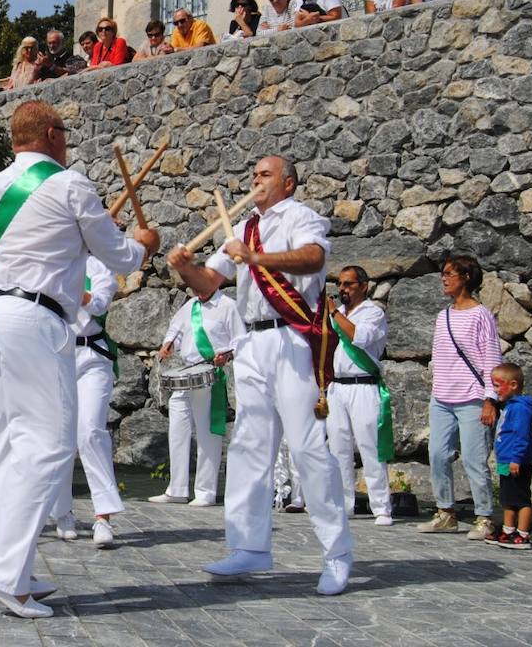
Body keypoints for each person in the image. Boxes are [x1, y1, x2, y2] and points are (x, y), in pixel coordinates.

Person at [0, 100, 158, 617]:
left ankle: (20, 567)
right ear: (52, 134)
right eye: (65, 133)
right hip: (33, 318)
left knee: (7, 444)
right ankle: (7, 574)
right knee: (51, 444)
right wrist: (144, 245)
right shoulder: (71, 184)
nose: (68, 141)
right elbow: (117, 256)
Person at [167, 155, 353, 596]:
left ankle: (337, 552)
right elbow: (209, 280)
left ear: (288, 183)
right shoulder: (244, 225)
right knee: (250, 444)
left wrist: (255, 257)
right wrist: (183, 266)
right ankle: (248, 547)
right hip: (251, 343)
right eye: (252, 175)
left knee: (307, 444)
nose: (256, 181)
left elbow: (313, 259)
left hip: (290, 338)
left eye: (265, 175)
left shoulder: (301, 217)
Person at [416, 254, 502, 541]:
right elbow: (440, 356)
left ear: (466, 277)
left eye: (450, 273)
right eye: (444, 273)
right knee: (438, 455)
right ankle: (445, 513)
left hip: (473, 398)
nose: (444, 278)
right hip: (442, 398)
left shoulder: (482, 315)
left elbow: (491, 358)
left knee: (474, 461)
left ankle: (485, 516)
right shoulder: (444, 315)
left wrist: (490, 399)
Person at [50, 256, 123, 548]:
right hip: (57, 355)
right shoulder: (51, 260)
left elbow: (100, 303)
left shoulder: (98, 267)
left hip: (93, 356)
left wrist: (72, 289)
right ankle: (62, 513)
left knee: (90, 432)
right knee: (61, 437)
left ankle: (103, 517)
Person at [149, 285, 239, 506]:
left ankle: (205, 492)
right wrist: (168, 344)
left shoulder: (228, 306)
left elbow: (240, 342)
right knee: (177, 431)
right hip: (187, 374)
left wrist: (227, 355)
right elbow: (176, 330)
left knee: (208, 433)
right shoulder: (190, 305)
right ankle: (177, 489)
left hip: (210, 375)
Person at [324, 266, 393, 524]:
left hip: (364, 386)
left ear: (363, 286)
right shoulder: (338, 313)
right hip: (338, 387)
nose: (342, 289)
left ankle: (381, 507)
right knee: (338, 448)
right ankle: (344, 504)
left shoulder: (373, 312)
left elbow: (358, 337)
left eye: (349, 284)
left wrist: (332, 312)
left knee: (370, 446)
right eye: (340, 284)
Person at [488, 363, 532, 550]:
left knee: (521, 499)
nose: (495, 390)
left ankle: (523, 534)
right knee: (507, 498)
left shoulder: (520, 409)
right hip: (505, 460)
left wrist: (516, 459)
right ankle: (508, 530)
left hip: (515, 462)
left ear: (512, 385)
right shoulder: (509, 406)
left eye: (497, 385)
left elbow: (522, 436)